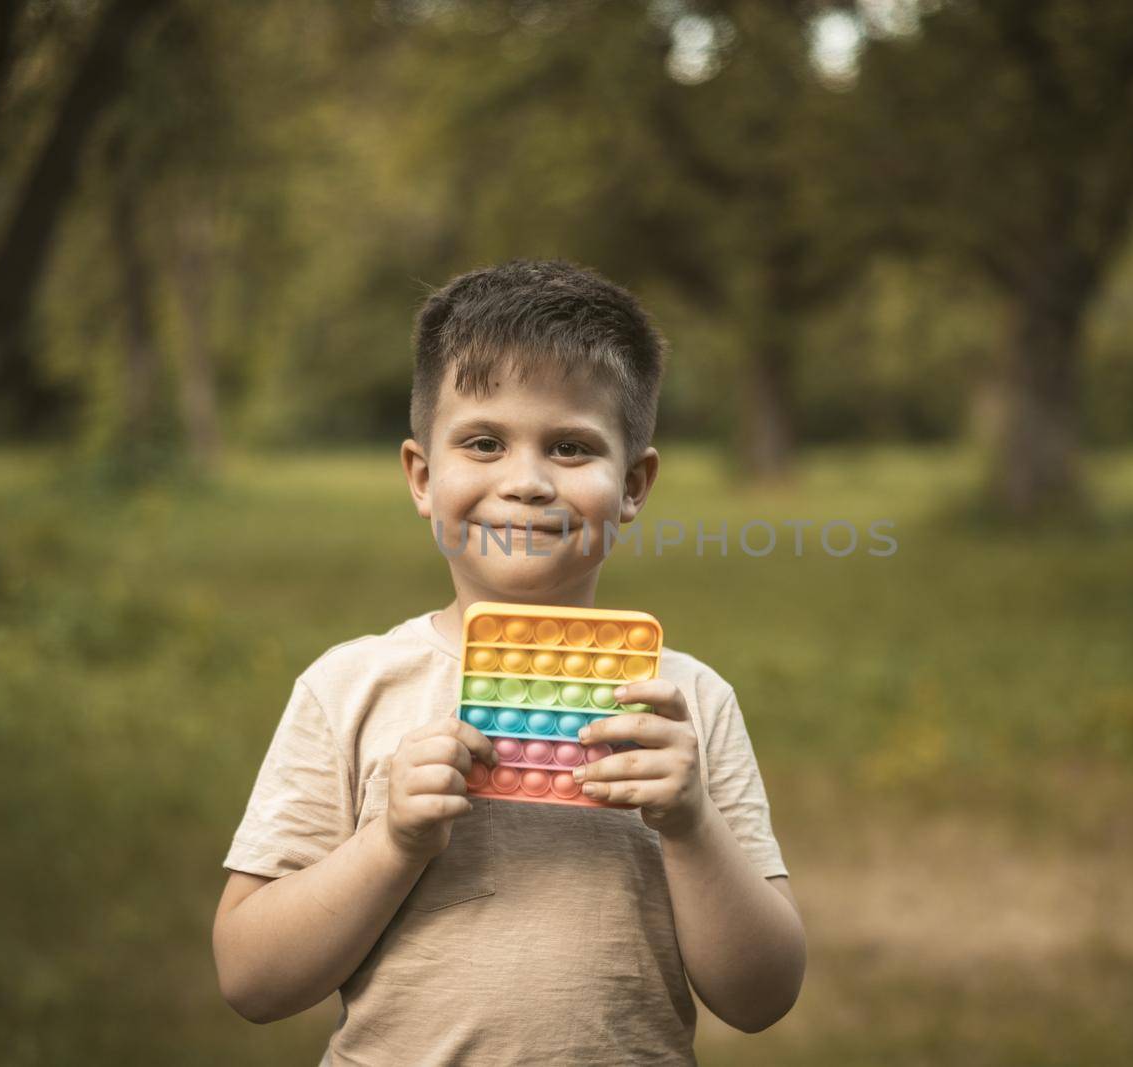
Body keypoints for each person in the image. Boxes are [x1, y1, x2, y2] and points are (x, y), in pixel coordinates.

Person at [211, 259, 805, 1064]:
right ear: (423, 476)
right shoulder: (348, 689)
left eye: (569, 447)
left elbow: (762, 996)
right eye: (484, 442)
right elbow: (251, 977)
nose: (524, 482)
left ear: (633, 485)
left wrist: (692, 823)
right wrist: (391, 840)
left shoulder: (684, 705)